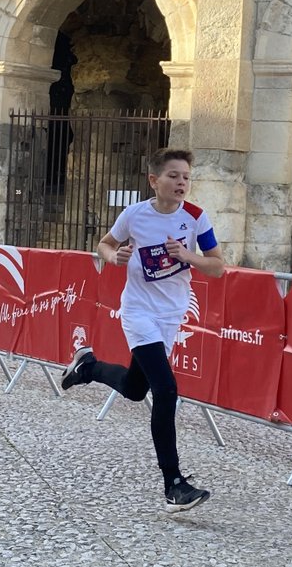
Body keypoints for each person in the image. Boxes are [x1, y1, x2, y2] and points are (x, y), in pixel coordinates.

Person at [60, 147, 225, 513]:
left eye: (186, 176)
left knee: (136, 389)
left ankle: (88, 367)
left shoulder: (197, 218)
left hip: (171, 315)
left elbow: (217, 267)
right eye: (173, 176)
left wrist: (188, 256)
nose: (181, 182)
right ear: (155, 180)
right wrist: (112, 256)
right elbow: (105, 243)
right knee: (166, 390)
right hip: (137, 312)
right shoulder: (134, 215)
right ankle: (174, 485)